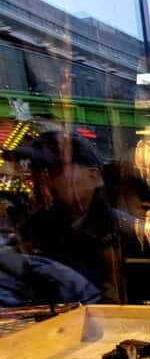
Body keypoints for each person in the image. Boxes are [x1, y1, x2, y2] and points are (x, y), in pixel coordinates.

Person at [5, 129, 134, 303]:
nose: (42, 182)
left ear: (93, 177)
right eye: (37, 172)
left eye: (53, 170)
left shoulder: (126, 233)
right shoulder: (29, 235)